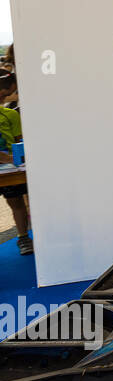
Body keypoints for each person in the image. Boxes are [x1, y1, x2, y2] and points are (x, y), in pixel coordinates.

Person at [0, 73, 31, 254]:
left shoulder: (10, 114)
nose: (5, 97)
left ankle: (23, 237)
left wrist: (15, 158)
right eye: (4, 93)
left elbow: (19, 142)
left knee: (16, 201)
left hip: (11, 171)